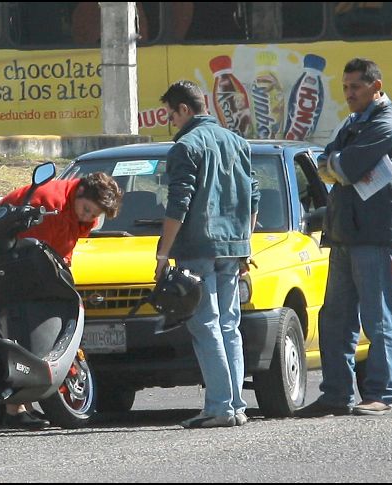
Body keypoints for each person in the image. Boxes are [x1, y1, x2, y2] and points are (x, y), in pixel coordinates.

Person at [295, 58, 392, 418]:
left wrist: (337, 166)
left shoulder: (388, 125)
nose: (348, 94)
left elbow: (343, 167)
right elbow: (324, 162)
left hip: (373, 236)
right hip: (345, 233)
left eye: (355, 87)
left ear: (376, 87)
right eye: (345, 87)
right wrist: (336, 166)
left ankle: (380, 393)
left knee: (378, 318)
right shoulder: (354, 123)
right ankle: (336, 394)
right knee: (336, 319)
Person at [0, 171, 122, 429]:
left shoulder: (73, 206)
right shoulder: (49, 205)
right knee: (23, 321)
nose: (88, 218)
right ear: (80, 192)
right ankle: (14, 408)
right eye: (86, 210)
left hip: (17, 260)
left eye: (94, 215)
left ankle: (20, 405)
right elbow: (38, 251)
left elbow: (62, 250)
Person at [157, 80, 259, 429]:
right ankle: (236, 405)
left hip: (198, 246)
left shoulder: (186, 147)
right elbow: (253, 198)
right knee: (230, 325)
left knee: (205, 324)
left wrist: (162, 253)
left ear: (185, 109)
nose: (172, 121)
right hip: (233, 246)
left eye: (172, 114)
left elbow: (179, 204)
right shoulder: (238, 142)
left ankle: (219, 407)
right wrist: (246, 244)